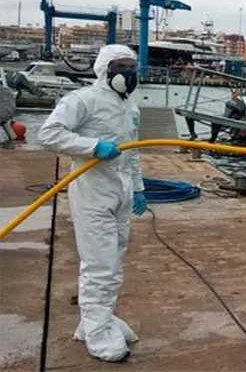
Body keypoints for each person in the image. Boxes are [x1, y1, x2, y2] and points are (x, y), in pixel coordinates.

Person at [39, 44, 146, 362]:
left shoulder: (130, 107)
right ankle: (98, 334)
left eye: (132, 66)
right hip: (93, 192)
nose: (129, 72)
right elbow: (48, 134)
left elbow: (134, 150)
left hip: (122, 192)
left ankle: (98, 319)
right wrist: (92, 146)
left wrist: (138, 188)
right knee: (100, 266)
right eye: (122, 66)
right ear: (105, 69)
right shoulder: (83, 99)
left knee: (114, 261)